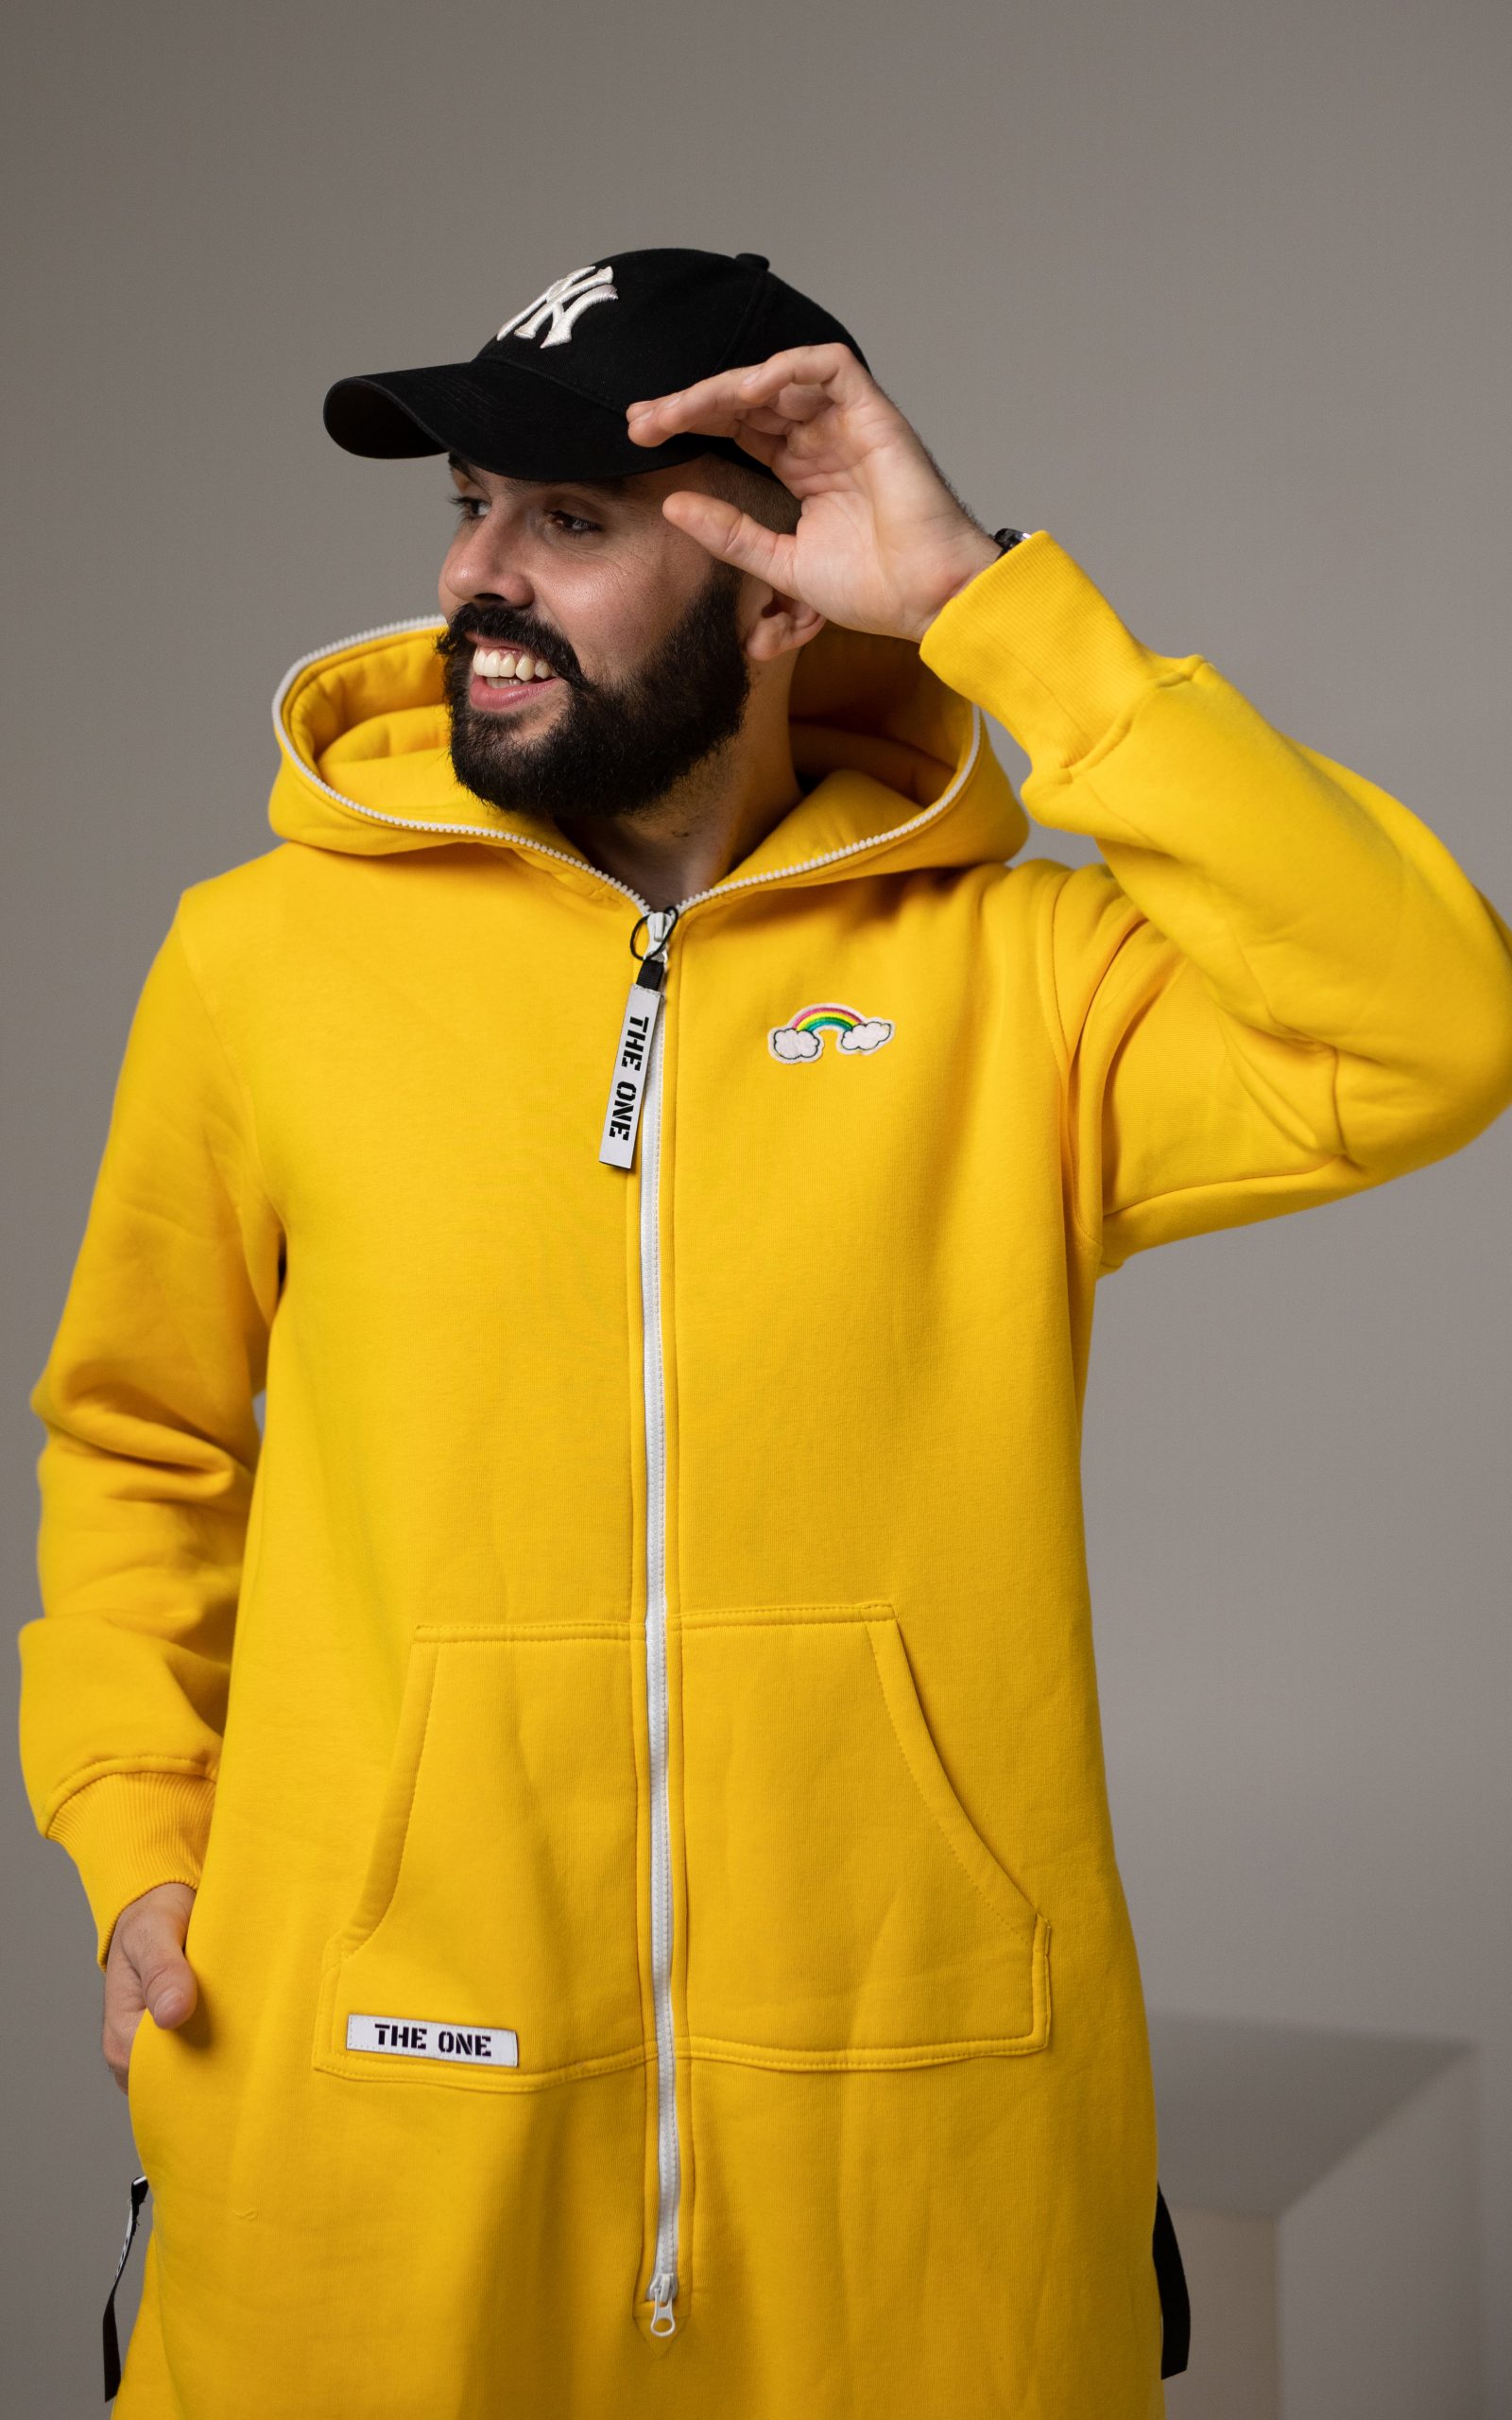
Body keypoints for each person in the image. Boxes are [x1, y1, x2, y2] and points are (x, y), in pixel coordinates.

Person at [16, 244, 1512, 2420]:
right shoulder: (260, 961)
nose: (475, 578)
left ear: (783, 589)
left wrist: (989, 604)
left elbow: (1432, 1024)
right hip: (378, 2104)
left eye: (569, 520)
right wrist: (139, 1822)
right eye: (469, 506)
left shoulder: (1014, 981)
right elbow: (142, 1435)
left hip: (915, 2138)